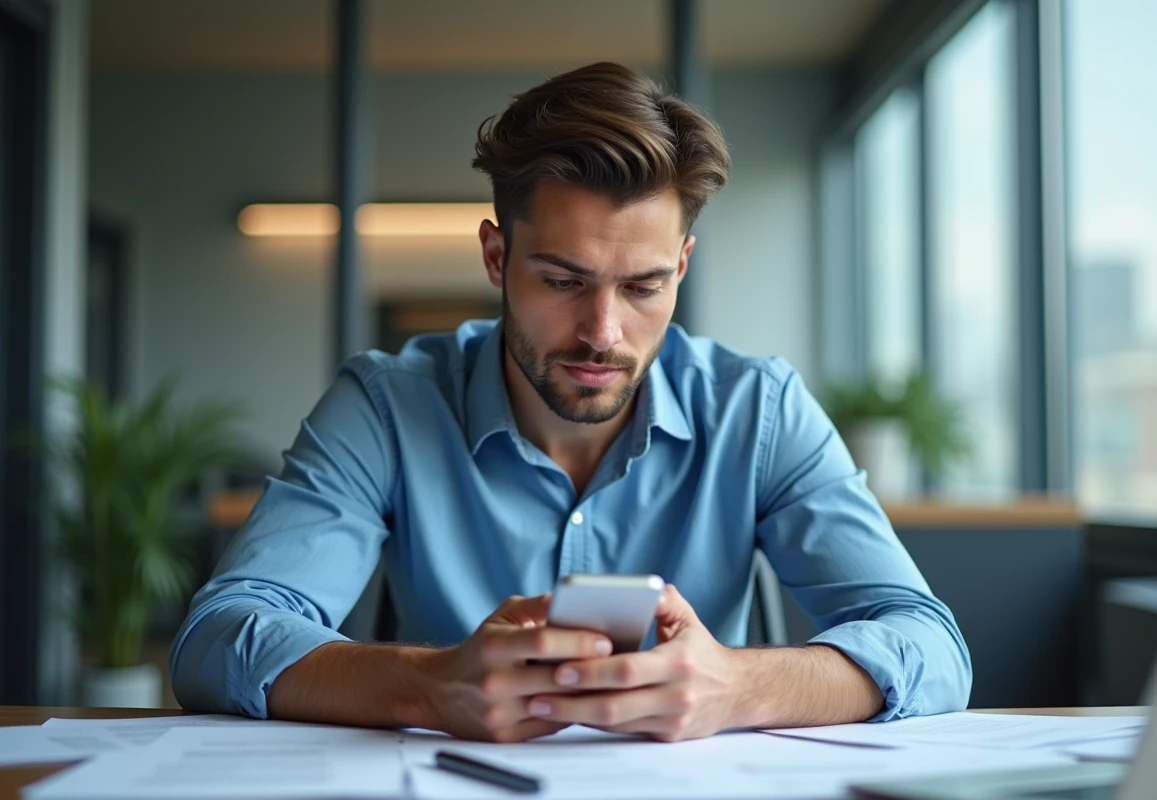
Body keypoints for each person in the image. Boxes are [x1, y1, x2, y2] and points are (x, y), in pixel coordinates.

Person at [170, 61, 971, 743]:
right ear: (497, 256)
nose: (603, 333)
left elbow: (929, 644)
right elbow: (217, 637)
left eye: (644, 287)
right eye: (562, 281)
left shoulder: (758, 411)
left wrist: (738, 687)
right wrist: (428, 686)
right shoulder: (385, 406)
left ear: (682, 267)